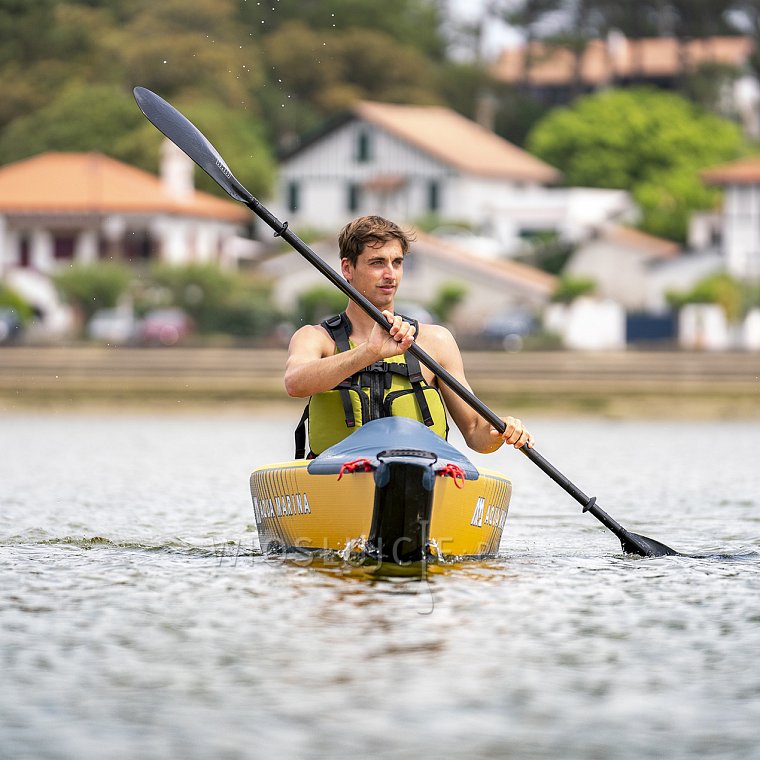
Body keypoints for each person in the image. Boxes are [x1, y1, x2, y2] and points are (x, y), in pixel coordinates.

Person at [285, 215, 534, 457]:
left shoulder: (435, 341)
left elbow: (475, 433)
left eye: (397, 262)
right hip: (338, 477)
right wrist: (369, 352)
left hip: (420, 477)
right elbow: (295, 383)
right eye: (377, 263)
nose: (390, 274)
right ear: (347, 268)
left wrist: (500, 432)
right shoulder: (315, 338)